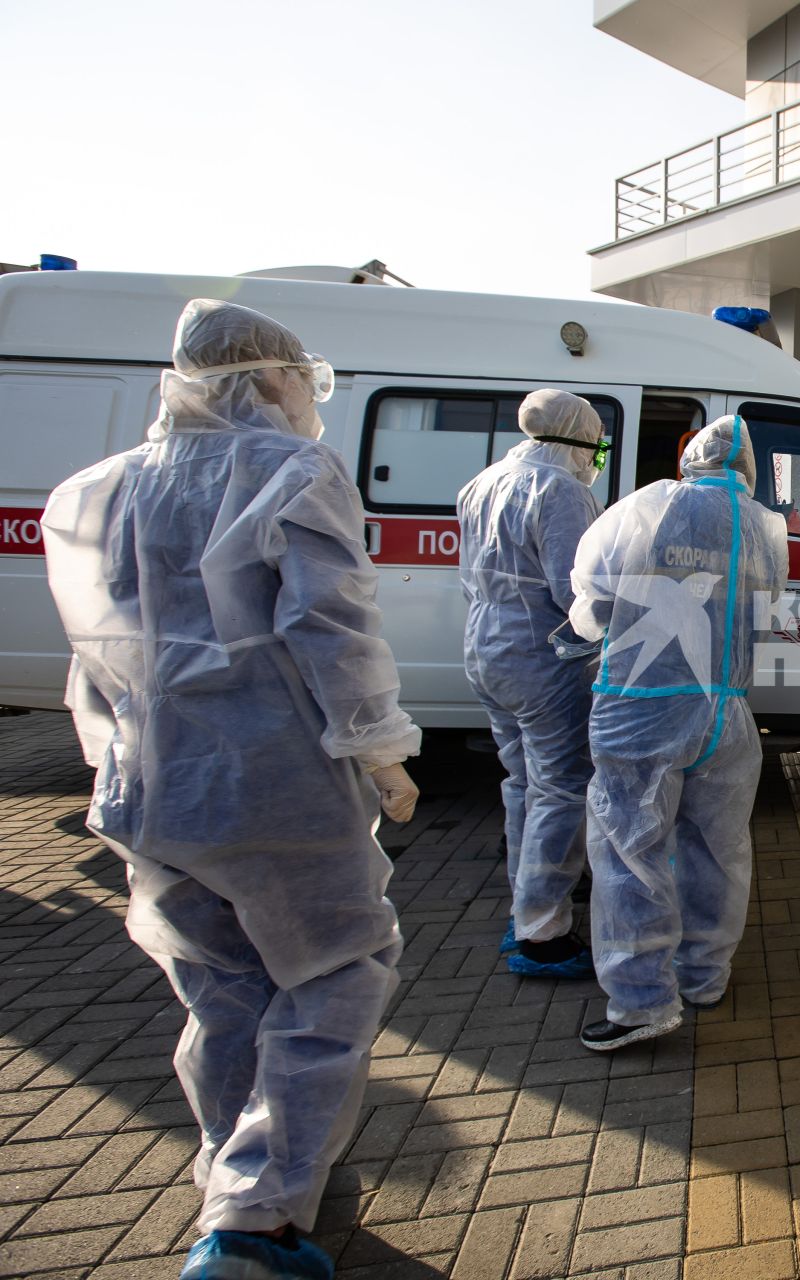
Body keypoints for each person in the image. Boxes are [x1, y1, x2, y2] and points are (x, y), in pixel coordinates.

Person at [40, 299, 421, 1280]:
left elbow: (97, 654)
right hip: (272, 779)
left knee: (222, 987)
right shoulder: (291, 470)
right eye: (300, 379)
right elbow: (330, 625)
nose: (306, 399)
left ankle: (239, 1165)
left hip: (150, 781)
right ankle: (254, 1220)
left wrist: (112, 760)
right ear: (265, 379)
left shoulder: (93, 489)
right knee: (334, 970)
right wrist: (381, 751)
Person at [568, 416, 788, 1050]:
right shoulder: (764, 526)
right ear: (745, 466)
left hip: (644, 706)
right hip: (728, 714)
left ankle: (640, 1002)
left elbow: (590, 607)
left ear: (690, 456)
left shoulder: (646, 507)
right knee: (716, 849)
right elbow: (763, 615)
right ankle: (703, 976)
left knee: (630, 852)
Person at [458, 389, 605, 980]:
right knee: (561, 789)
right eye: (595, 444)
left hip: (486, 646)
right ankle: (544, 933)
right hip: (542, 656)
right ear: (576, 439)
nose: (594, 455)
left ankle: (525, 911)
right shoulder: (562, 492)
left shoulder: (483, 481)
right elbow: (575, 593)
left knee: (521, 783)